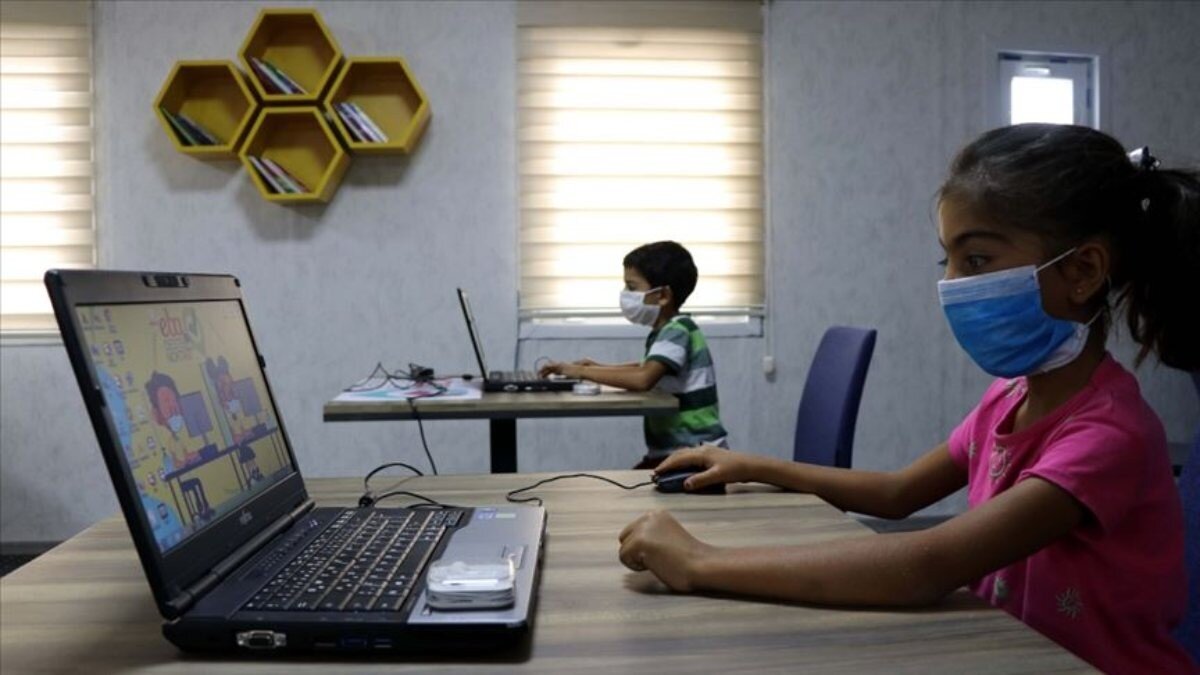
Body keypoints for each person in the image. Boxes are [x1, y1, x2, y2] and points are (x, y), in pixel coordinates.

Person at [617, 125, 1199, 674]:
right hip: (1015, 652)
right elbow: (898, 494)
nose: (951, 284)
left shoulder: (1108, 434)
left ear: (1083, 270)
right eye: (947, 260)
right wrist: (750, 465)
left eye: (976, 260)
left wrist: (700, 562)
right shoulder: (1009, 397)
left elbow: (924, 567)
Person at [539, 240, 729, 469]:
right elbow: (645, 367)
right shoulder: (673, 329)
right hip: (679, 451)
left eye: (632, 287)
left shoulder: (676, 331)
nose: (625, 295)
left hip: (695, 456)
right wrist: (595, 366)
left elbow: (643, 378)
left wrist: (580, 371)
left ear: (662, 295)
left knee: (628, 486)